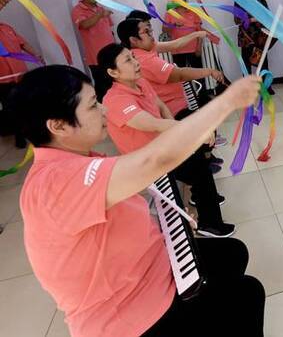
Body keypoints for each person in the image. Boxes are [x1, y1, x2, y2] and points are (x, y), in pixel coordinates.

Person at [9, 64, 265, 336]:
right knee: (247, 294)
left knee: (232, 253)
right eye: (94, 105)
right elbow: (153, 160)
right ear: (58, 125)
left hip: (151, 268)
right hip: (130, 313)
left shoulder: (78, 160)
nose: (104, 111)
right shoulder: (54, 183)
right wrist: (227, 102)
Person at [98, 42, 231, 236]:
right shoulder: (115, 100)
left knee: (197, 157)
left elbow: (160, 106)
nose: (135, 62)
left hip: (161, 146)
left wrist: (179, 134)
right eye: (128, 60)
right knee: (198, 167)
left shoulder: (140, 82)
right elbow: (152, 123)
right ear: (113, 72)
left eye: (133, 57)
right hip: (147, 160)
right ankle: (209, 224)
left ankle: (200, 197)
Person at [116, 18, 224, 118]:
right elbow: (180, 75)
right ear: (134, 40)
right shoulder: (144, 60)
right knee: (206, 125)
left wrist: (196, 34)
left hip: (175, 104)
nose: (151, 35)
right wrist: (210, 71)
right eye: (146, 32)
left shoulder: (145, 48)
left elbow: (175, 45)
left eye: (150, 30)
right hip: (171, 111)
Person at [0, 0, 43, 148]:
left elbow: (23, 43)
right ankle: (17, 135)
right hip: (2, 80)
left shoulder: (6, 27)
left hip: (20, 75)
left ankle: (26, 132)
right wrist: (3, 1)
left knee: (23, 104)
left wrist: (35, 55)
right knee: (9, 107)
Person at [71, 0, 115, 100]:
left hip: (111, 55)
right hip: (96, 58)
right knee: (102, 88)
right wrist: (100, 15)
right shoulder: (78, 10)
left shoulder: (100, 8)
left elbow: (109, 31)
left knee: (115, 85)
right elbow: (84, 25)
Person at [235, 0, 275, 94]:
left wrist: (260, 19)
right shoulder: (239, 1)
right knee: (246, 63)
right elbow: (237, 20)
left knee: (262, 61)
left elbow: (268, 17)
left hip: (260, 36)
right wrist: (253, 19)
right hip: (246, 37)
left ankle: (266, 86)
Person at [162, 0, 205, 69]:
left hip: (193, 50)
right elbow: (164, 30)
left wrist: (199, 48)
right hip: (177, 50)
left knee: (198, 77)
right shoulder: (169, 13)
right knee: (182, 79)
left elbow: (200, 31)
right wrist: (173, 25)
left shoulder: (193, 12)